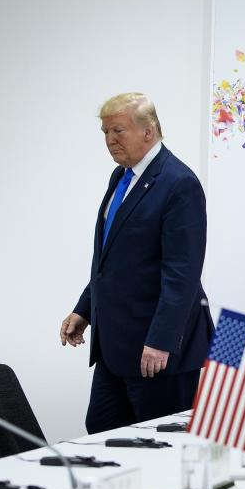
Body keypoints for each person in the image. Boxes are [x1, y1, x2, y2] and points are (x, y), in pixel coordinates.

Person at [59, 93, 213, 434]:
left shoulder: (179, 184)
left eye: (118, 130)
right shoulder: (120, 178)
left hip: (158, 353)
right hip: (114, 347)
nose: (110, 140)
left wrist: (160, 340)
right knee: (101, 434)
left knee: (161, 447)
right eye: (105, 132)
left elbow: (182, 273)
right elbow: (112, 259)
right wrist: (83, 310)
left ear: (149, 131)